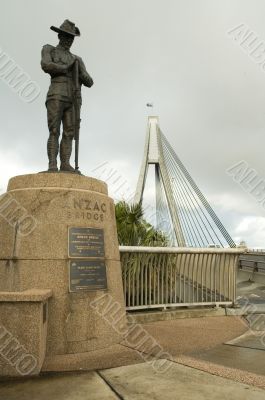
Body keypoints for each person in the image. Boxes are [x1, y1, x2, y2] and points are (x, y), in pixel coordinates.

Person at [41, 19, 94, 172]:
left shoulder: (77, 59)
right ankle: (52, 164)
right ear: (59, 36)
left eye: (71, 38)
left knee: (69, 132)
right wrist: (66, 68)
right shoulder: (49, 49)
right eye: (66, 36)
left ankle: (65, 163)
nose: (68, 40)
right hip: (56, 94)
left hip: (73, 99)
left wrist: (80, 73)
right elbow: (46, 65)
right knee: (54, 130)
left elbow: (90, 81)